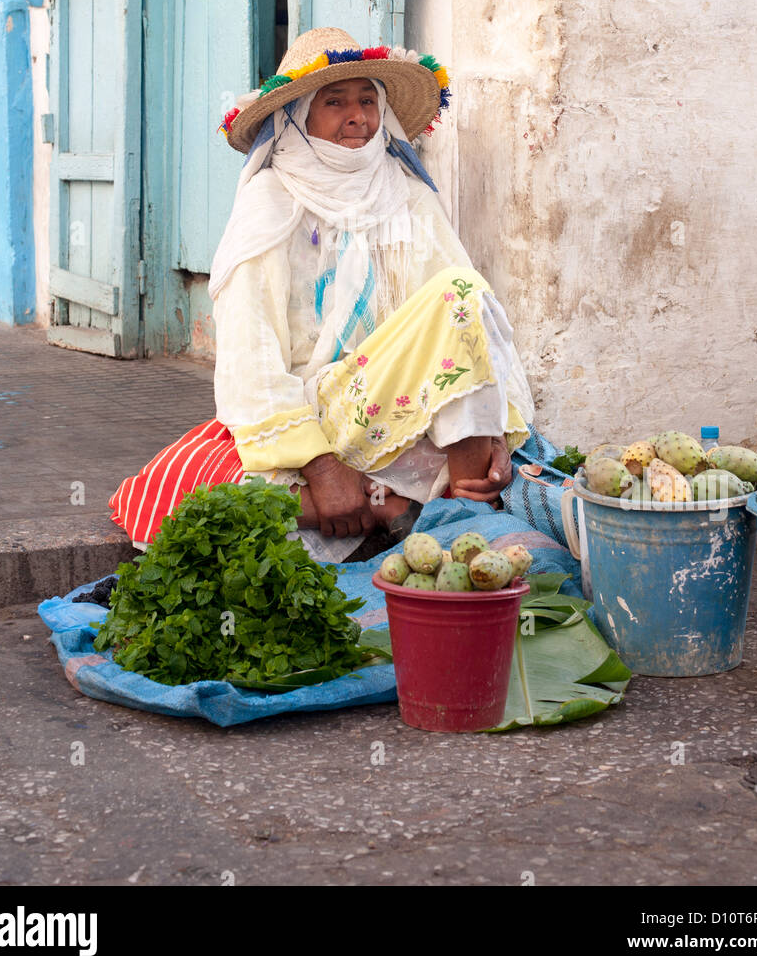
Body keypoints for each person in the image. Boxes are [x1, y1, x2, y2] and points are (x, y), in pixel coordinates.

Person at [109, 28, 535, 560]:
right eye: (334, 102)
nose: (357, 117)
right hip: (319, 412)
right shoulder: (270, 202)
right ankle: (394, 507)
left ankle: (463, 518)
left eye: (367, 101)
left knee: (459, 295)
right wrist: (323, 468)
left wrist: (491, 433)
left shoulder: (405, 194)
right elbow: (251, 358)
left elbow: (470, 325)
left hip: (401, 409)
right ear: (296, 116)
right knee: (221, 501)